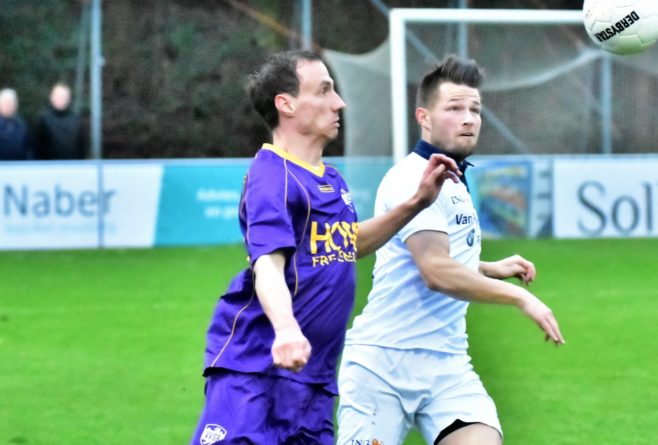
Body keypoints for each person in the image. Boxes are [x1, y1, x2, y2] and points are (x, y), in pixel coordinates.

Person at [189, 50, 460, 445]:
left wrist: (415, 204)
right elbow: (267, 265)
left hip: (312, 381)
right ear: (287, 104)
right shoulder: (272, 177)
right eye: (324, 90)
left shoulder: (330, 178)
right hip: (259, 371)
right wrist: (285, 330)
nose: (340, 102)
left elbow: (347, 245)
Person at [336, 56, 566, 445]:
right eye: (455, 108)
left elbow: (436, 255)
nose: (469, 118)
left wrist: (489, 267)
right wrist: (519, 299)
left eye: (475, 109)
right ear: (423, 117)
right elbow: (435, 270)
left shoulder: (455, 178)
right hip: (383, 364)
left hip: (447, 365)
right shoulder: (412, 178)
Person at [35, 83, 85, 160]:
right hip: (49, 168)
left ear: (69, 99)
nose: (61, 99)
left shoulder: (76, 120)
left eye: (64, 97)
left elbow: (82, 147)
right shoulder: (43, 119)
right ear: (52, 98)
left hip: (73, 167)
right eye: (58, 97)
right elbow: (37, 148)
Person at [0, 88, 32, 160]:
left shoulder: (22, 125)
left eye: (12, 103)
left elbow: (29, 148)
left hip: (20, 168)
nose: (9, 106)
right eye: (6, 103)